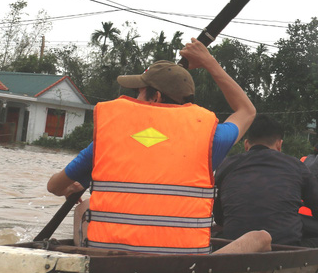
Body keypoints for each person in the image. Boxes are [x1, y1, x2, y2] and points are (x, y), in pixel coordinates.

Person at [46, 38, 269, 255]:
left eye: (139, 92)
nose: (134, 97)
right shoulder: (212, 138)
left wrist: (73, 186)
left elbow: (55, 187)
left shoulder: (110, 135)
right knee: (260, 238)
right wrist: (209, 62)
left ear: (155, 97)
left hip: (111, 263)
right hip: (185, 266)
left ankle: (87, 266)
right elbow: (247, 111)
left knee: (84, 207)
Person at [214, 115, 318, 247]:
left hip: (234, 245)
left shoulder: (226, 165)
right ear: (280, 145)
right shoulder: (296, 166)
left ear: (246, 144)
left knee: (218, 235)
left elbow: (220, 218)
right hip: (286, 247)